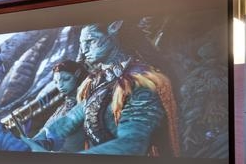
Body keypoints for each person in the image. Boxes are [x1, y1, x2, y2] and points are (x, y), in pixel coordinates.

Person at [28, 21, 179, 156]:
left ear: (112, 33)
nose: (84, 50)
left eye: (91, 41)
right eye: (82, 44)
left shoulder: (140, 81)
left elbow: (132, 143)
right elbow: (71, 118)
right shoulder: (97, 81)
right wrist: (36, 142)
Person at [40, 59, 88, 152]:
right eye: (56, 82)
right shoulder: (65, 103)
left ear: (77, 74)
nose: (60, 85)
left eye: (66, 79)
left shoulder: (83, 102)